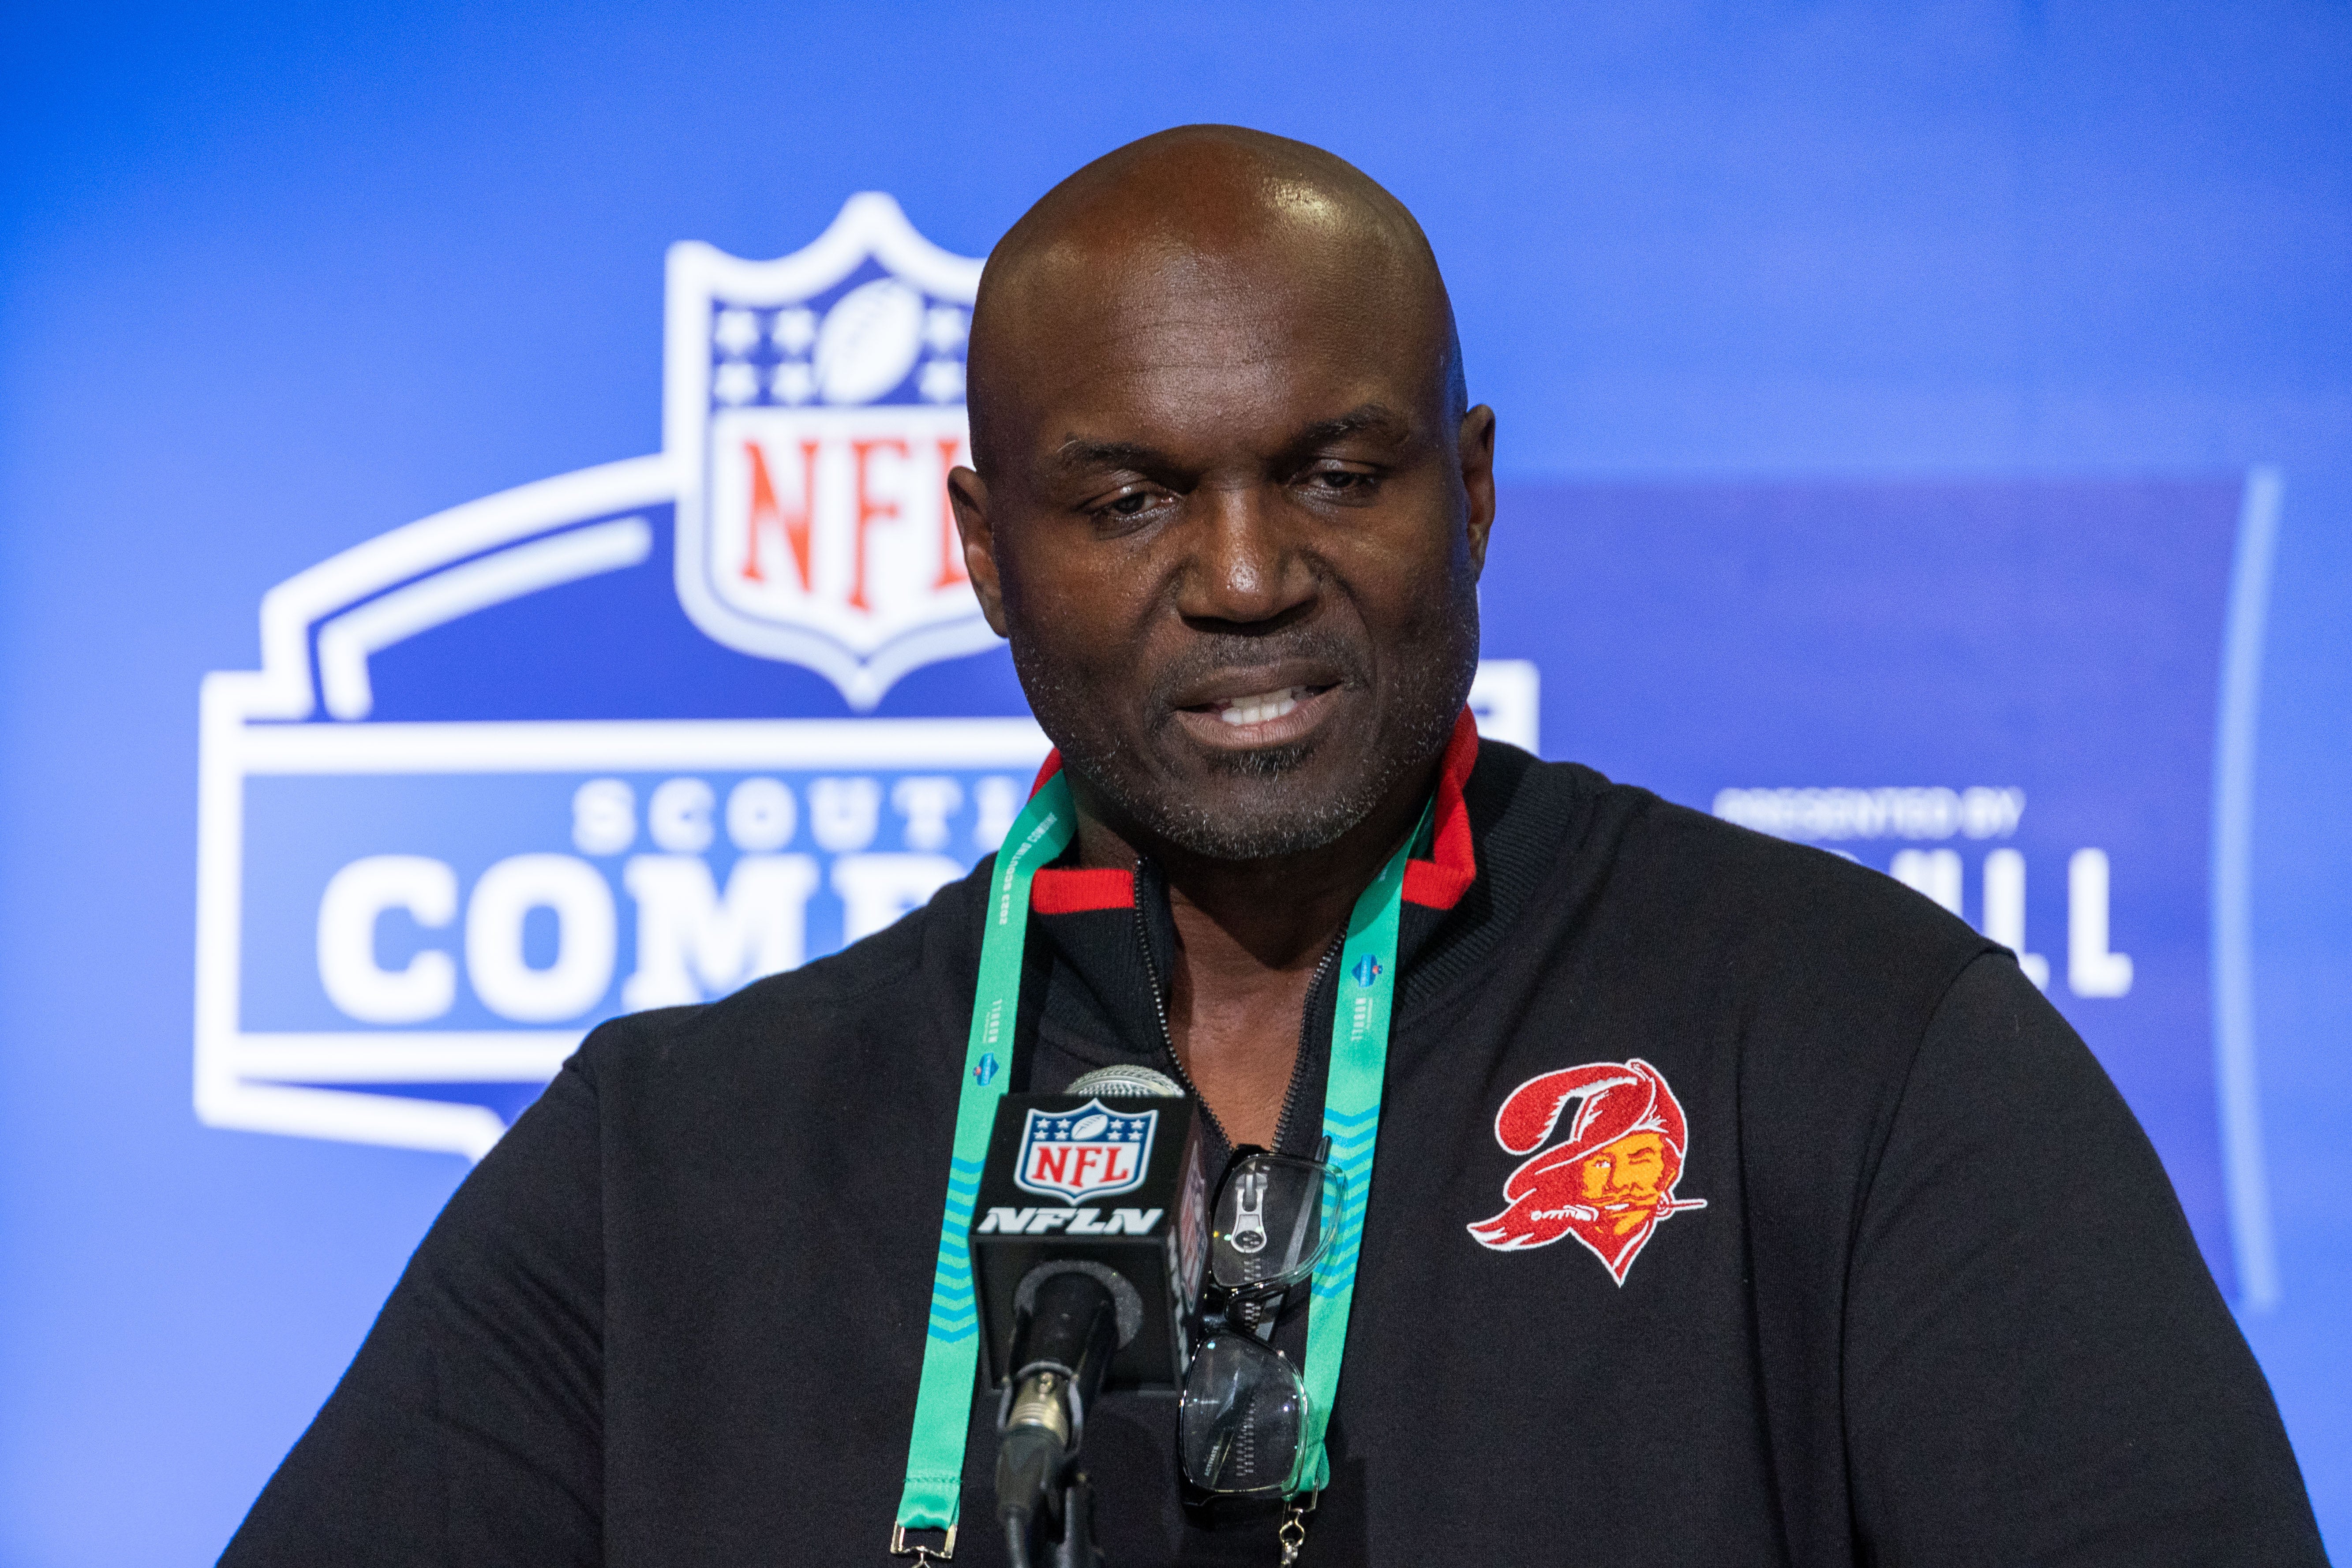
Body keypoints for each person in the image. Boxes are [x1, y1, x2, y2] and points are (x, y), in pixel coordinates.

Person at [220, 126, 2326, 1567]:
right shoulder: (675, 1155)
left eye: (1333, 469)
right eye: (1126, 499)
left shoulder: (1853, 1042)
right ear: (980, 552)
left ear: (1472, 493)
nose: (1244, 576)